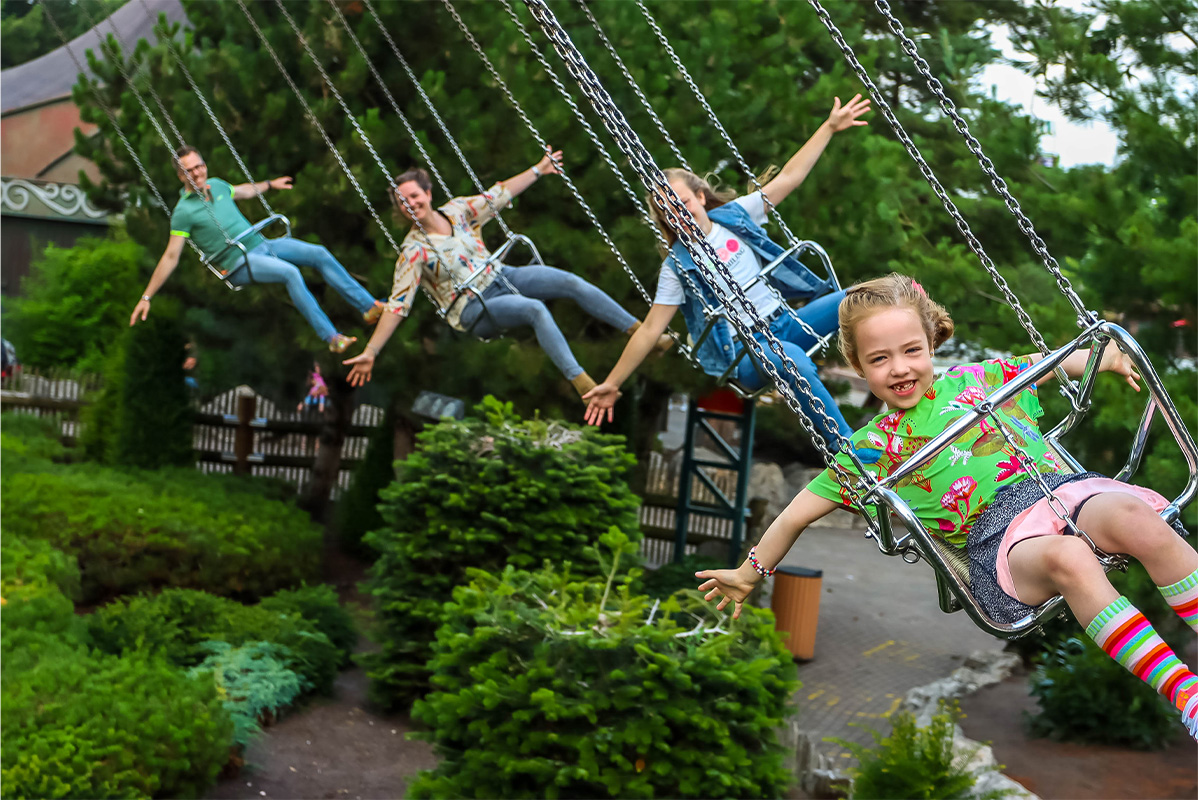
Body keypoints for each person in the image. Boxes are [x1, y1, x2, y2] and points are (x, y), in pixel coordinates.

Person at [695, 274, 1198, 740]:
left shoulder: (975, 381)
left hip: (1063, 492)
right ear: (858, 365)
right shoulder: (870, 448)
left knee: (1137, 518)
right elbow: (795, 514)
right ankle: (1187, 695)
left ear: (931, 344)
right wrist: (750, 571)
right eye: (879, 359)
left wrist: (1102, 357)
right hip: (1002, 544)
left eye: (912, 350)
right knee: (1071, 559)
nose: (899, 369)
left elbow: (1047, 363)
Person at [581, 95, 872, 445]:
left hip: (784, 323)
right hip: (744, 354)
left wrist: (828, 127)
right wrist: (612, 383)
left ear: (701, 198)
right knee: (790, 357)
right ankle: (847, 448)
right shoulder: (678, 267)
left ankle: (910, 365)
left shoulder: (734, 217)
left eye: (683, 203)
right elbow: (649, 331)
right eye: (668, 212)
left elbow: (791, 178)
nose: (679, 215)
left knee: (865, 297)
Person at [341, 150, 671, 398]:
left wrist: (538, 170)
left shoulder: (458, 211)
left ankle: (641, 334)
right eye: (402, 202)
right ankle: (583, 383)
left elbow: (498, 195)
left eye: (414, 196)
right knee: (534, 310)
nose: (410, 204)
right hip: (472, 307)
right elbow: (398, 305)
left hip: (501, 275)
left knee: (569, 281)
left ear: (428, 194)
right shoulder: (413, 252)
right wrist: (371, 352)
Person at [130, 145, 384, 353]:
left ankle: (368, 307)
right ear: (181, 176)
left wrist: (270, 185)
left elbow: (244, 191)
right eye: (189, 171)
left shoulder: (217, 185)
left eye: (199, 166)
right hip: (238, 263)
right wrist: (147, 296)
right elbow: (171, 256)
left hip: (261, 245)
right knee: (290, 273)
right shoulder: (183, 213)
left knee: (318, 253)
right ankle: (332, 338)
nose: (197, 173)